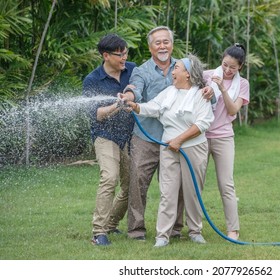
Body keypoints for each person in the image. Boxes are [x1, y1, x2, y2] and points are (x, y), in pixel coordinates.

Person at [123, 26, 214, 241]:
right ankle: (139, 231)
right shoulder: (143, 71)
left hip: (183, 142)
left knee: (183, 187)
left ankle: (178, 230)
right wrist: (131, 100)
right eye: (157, 42)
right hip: (149, 138)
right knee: (141, 183)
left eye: (166, 41)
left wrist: (211, 92)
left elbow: (205, 104)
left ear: (172, 44)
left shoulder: (185, 69)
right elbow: (138, 92)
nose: (162, 46)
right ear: (150, 46)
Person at [82, 34, 137, 246]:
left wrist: (130, 93)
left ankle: (112, 223)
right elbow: (95, 114)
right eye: (119, 54)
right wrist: (117, 106)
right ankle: (99, 232)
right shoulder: (92, 80)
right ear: (106, 55)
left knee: (132, 183)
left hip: (130, 136)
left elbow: (138, 86)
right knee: (109, 177)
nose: (124, 57)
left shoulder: (132, 69)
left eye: (125, 53)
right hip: (105, 136)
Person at [203, 43, 250, 240]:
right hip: (200, 136)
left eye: (232, 67)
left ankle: (233, 229)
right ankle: (193, 228)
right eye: (224, 65)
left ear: (240, 66)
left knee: (226, 184)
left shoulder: (243, 84)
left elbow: (232, 111)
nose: (227, 70)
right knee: (195, 183)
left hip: (223, 137)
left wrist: (222, 88)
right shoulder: (207, 75)